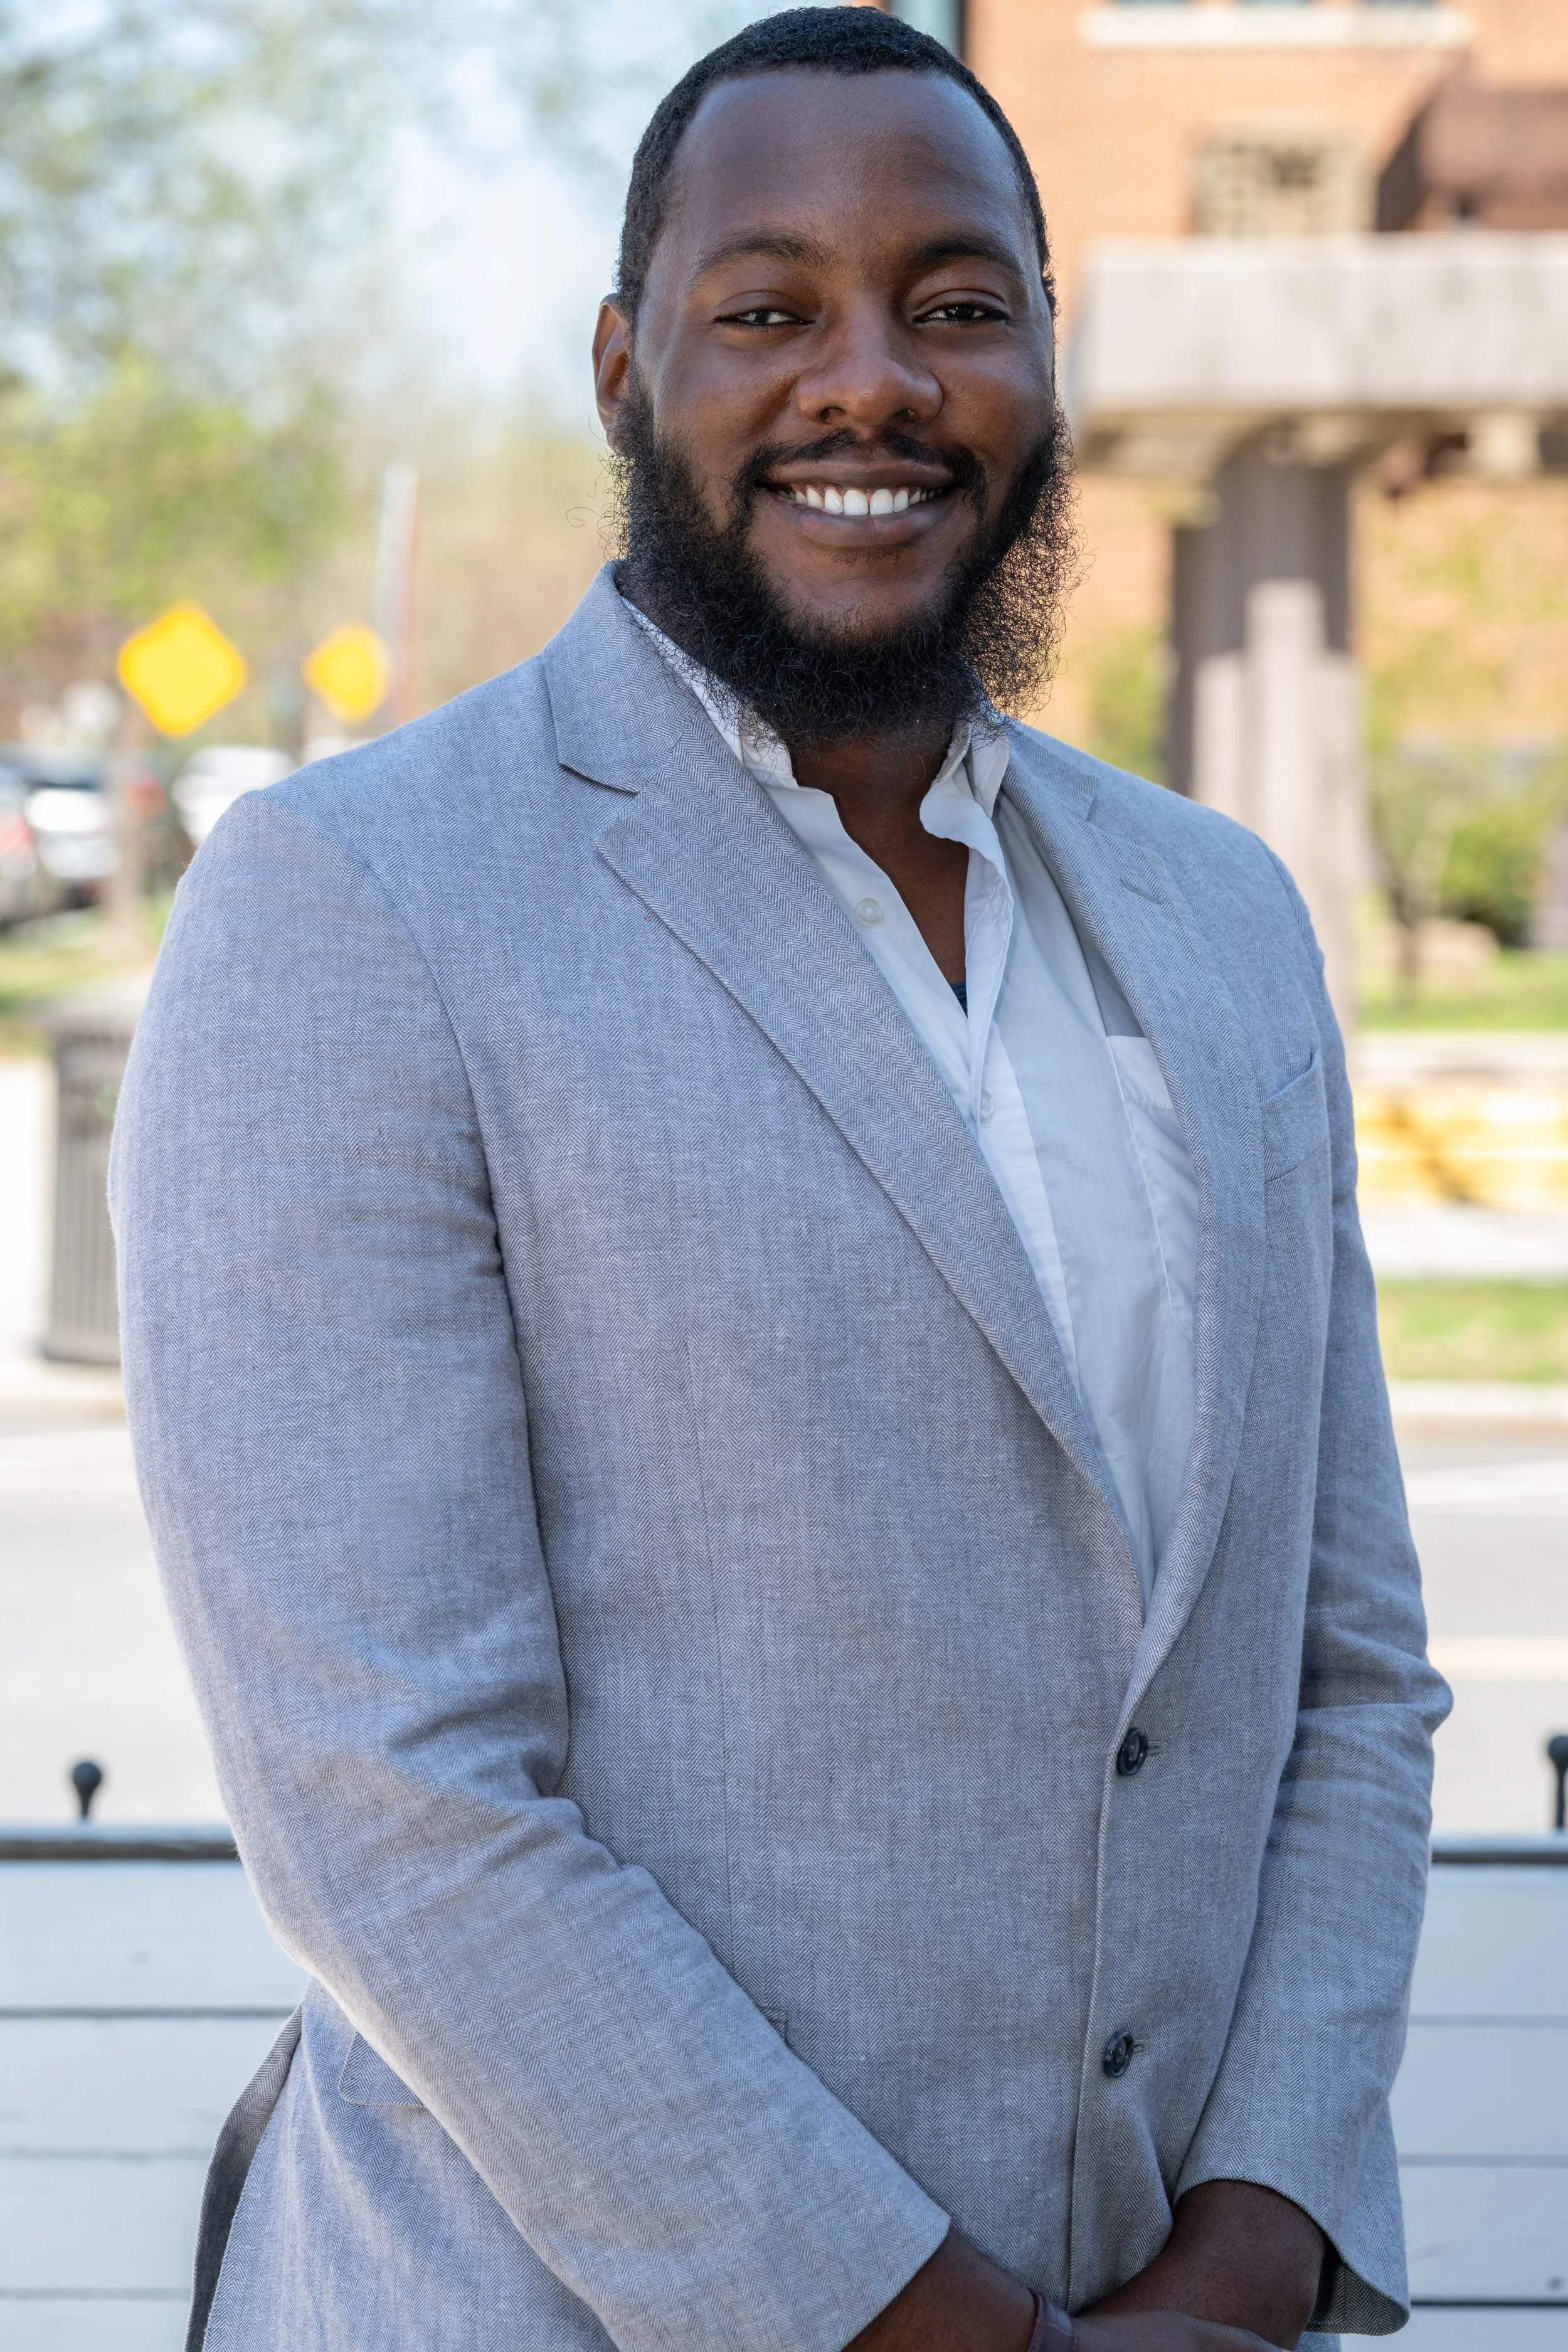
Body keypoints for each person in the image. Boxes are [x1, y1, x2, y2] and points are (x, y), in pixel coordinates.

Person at [112, 13, 1449, 2351]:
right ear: (627, 367)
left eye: (953, 301)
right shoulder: (356, 903)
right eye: (767, 309)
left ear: (1048, 352)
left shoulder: (1222, 914)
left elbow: (1343, 1679)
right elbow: (394, 1802)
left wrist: (1247, 2255)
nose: (871, 381)